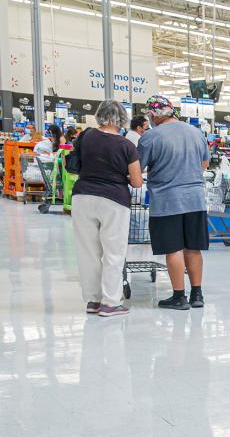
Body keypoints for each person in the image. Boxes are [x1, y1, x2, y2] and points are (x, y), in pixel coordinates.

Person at [137, 95, 211, 310]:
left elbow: (138, 168)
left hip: (167, 200)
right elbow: (204, 164)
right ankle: (197, 295)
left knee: (174, 249)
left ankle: (179, 296)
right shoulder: (196, 132)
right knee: (193, 248)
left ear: (153, 114)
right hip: (195, 199)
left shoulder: (151, 137)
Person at [70, 101, 143, 317]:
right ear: (120, 119)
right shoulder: (126, 146)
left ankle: (93, 300)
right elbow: (137, 182)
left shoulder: (85, 136)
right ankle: (110, 302)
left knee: (88, 252)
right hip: (114, 201)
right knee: (113, 252)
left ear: (100, 116)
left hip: (82, 196)